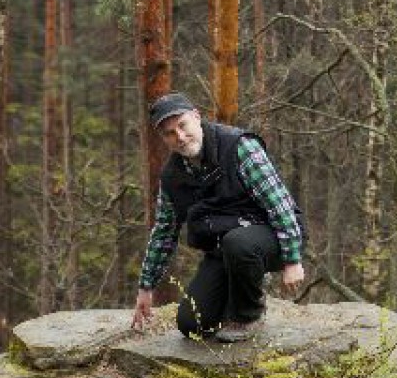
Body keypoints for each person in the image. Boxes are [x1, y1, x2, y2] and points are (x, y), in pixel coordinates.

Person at [131, 92, 305, 342]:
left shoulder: (239, 146)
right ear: (163, 138)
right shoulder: (173, 176)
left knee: (240, 244)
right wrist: (146, 287)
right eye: (169, 133)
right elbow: (164, 232)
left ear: (197, 118)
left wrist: (292, 260)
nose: (179, 137)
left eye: (182, 125)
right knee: (191, 324)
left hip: (272, 237)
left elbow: (279, 205)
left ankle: (249, 316)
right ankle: (233, 301)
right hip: (225, 248)